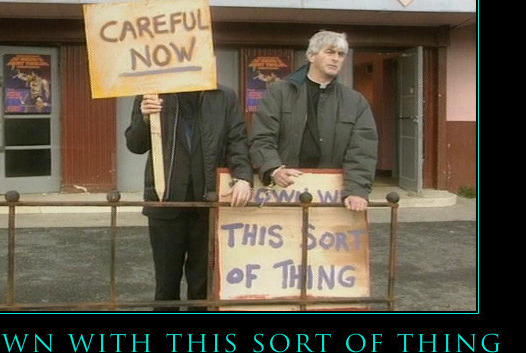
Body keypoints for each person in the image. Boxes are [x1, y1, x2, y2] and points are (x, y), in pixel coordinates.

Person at [125, 87, 253, 311]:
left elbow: (237, 141)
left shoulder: (224, 97)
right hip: (165, 202)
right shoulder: (153, 93)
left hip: (207, 201)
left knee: (202, 284)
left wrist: (243, 176)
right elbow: (135, 145)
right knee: (166, 284)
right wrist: (144, 118)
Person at [249, 30, 378, 211]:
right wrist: (274, 168)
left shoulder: (355, 101)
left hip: (331, 192)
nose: (336, 58)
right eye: (330, 52)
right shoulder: (279, 92)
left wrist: (357, 189)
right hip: (285, 189)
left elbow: (362, 151)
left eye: (341, 54)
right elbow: (262, 136)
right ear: (311, 56)